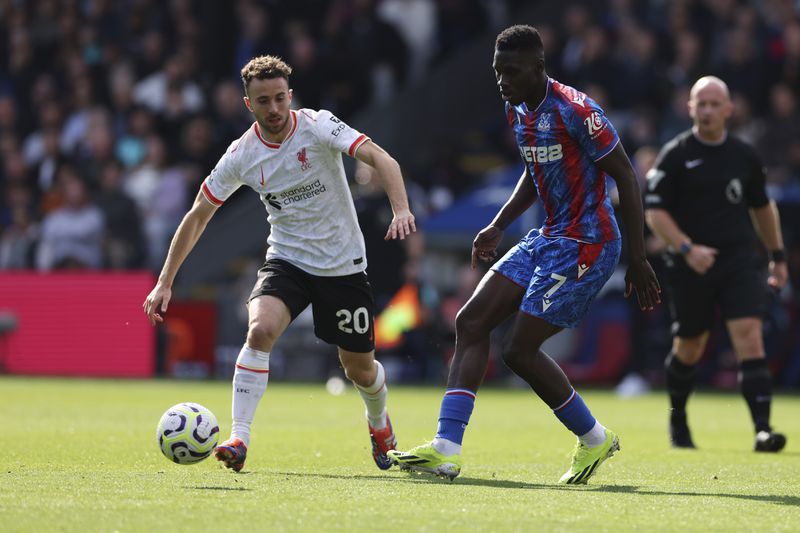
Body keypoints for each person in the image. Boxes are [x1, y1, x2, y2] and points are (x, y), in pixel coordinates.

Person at [389, 25, 660, 484]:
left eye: (511, 71)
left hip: (588, 243)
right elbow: (535, 170)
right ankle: (446, 448)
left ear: (538, 67)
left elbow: (628, 179)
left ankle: (594, 439)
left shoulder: (577, 111)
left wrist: (639, 257)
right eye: (497, 71)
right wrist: (497, 223)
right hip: (548, 236)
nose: (502, 80)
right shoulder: (517, 108)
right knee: (470, 323)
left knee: (518, 350)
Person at [143, 55, 416, 472]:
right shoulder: (241, 155)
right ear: (248, 104)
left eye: (279, 98)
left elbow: (382, 159)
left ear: (290, 96)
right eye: (263, 101)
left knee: (359, 369)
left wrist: (400, 210)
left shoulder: (319, 125)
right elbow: (199, 213)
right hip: (287, 259)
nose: (273, 109)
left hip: (342, 265)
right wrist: (165, 281)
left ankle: (379, 424)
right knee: (260, 329)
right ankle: (239, 437)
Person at [643, 76, 788, 452]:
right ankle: (678, 419)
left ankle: (762, 429)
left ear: (728, 110)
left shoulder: (744, 155)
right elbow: (655, 214)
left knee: (749, 335)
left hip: (739, 260)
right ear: (690, 108)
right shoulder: (674, 155)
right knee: (690, 345)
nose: (707, 110)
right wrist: (688, 248)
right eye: (700, 103)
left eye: (714, 104)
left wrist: (777, 256)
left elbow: (762, 209)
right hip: (690, 265)